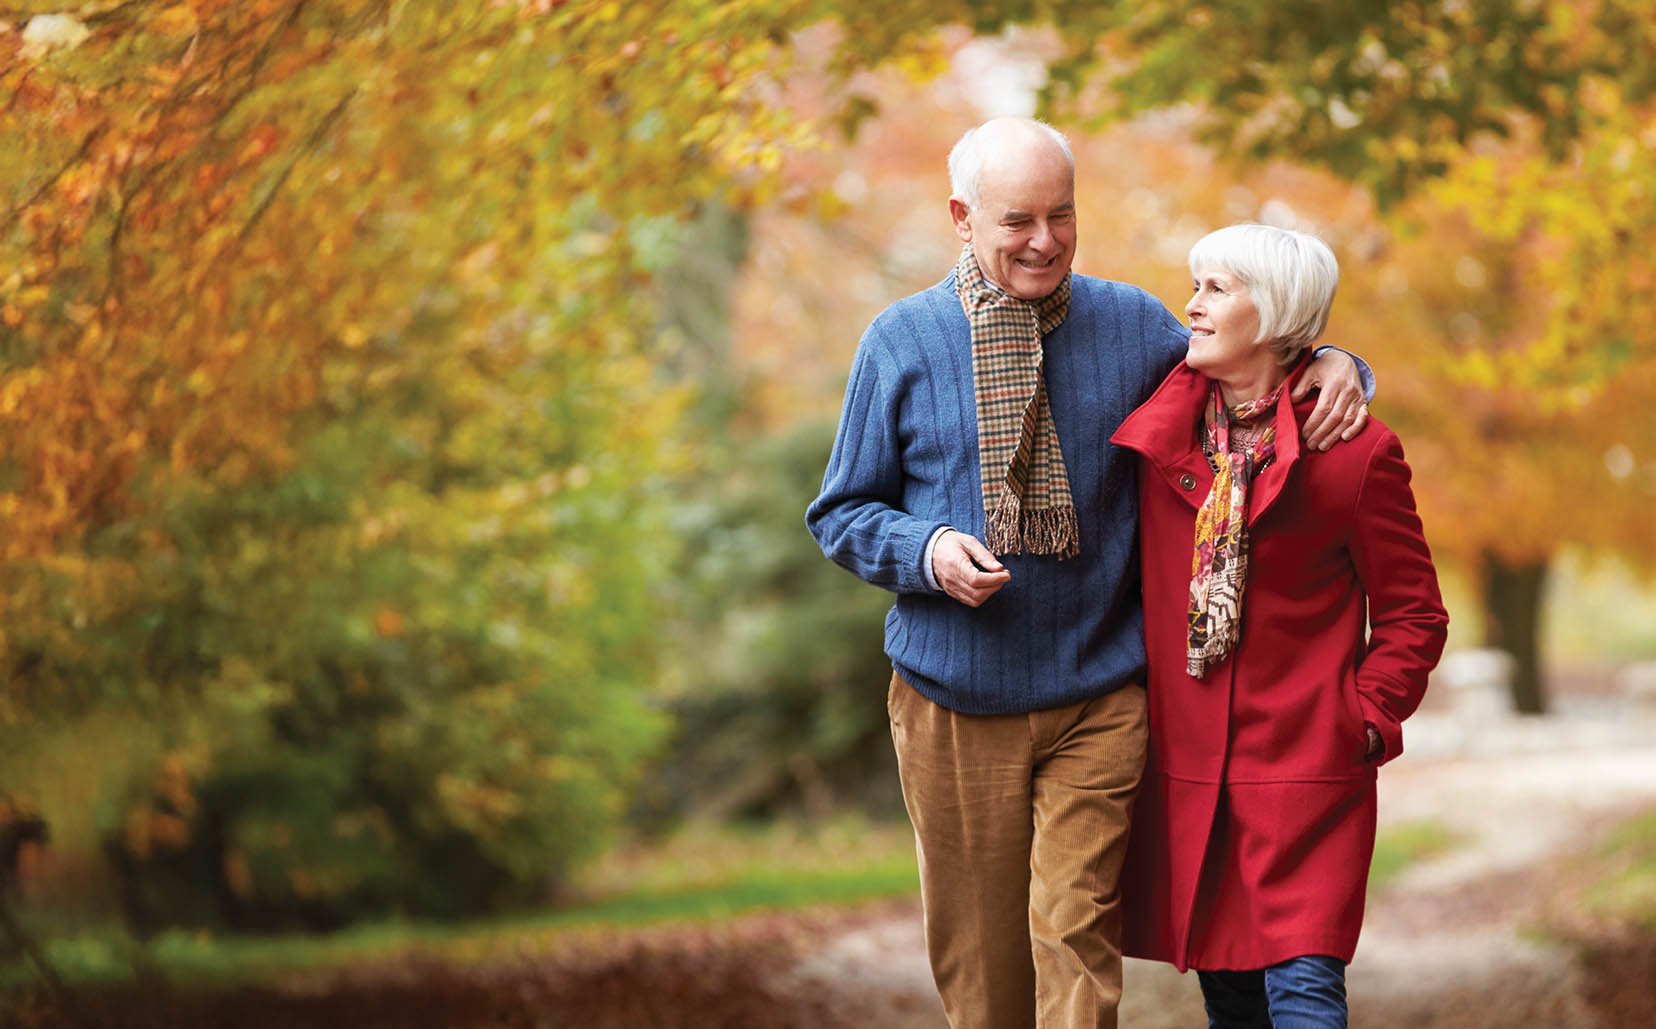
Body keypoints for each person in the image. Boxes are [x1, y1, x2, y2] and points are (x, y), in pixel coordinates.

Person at [805, 117, 1372, 1029]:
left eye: (1061, 216)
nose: (1044, 240)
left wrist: (1342, 363)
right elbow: (840, 511)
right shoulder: (901, 343)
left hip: (1099, 693)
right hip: (954, 698)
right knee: (985, 970)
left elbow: (1252, 375)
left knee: (1075, 936)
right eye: (1017, 220)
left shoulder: (1134, 328)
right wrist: (925, 552)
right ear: (962, 216)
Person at [1112, 223, 1449, 1027]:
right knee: (1232, 1003)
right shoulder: (1160, 422)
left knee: (1304, 994)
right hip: (1189, 781)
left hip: (1308, 779)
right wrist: (1343, 359)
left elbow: (1414, 614)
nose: (1189, 306)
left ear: (1274, 314)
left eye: (1216, 289)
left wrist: (1361, 721)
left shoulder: (1359, 454)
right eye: (1194, 285)